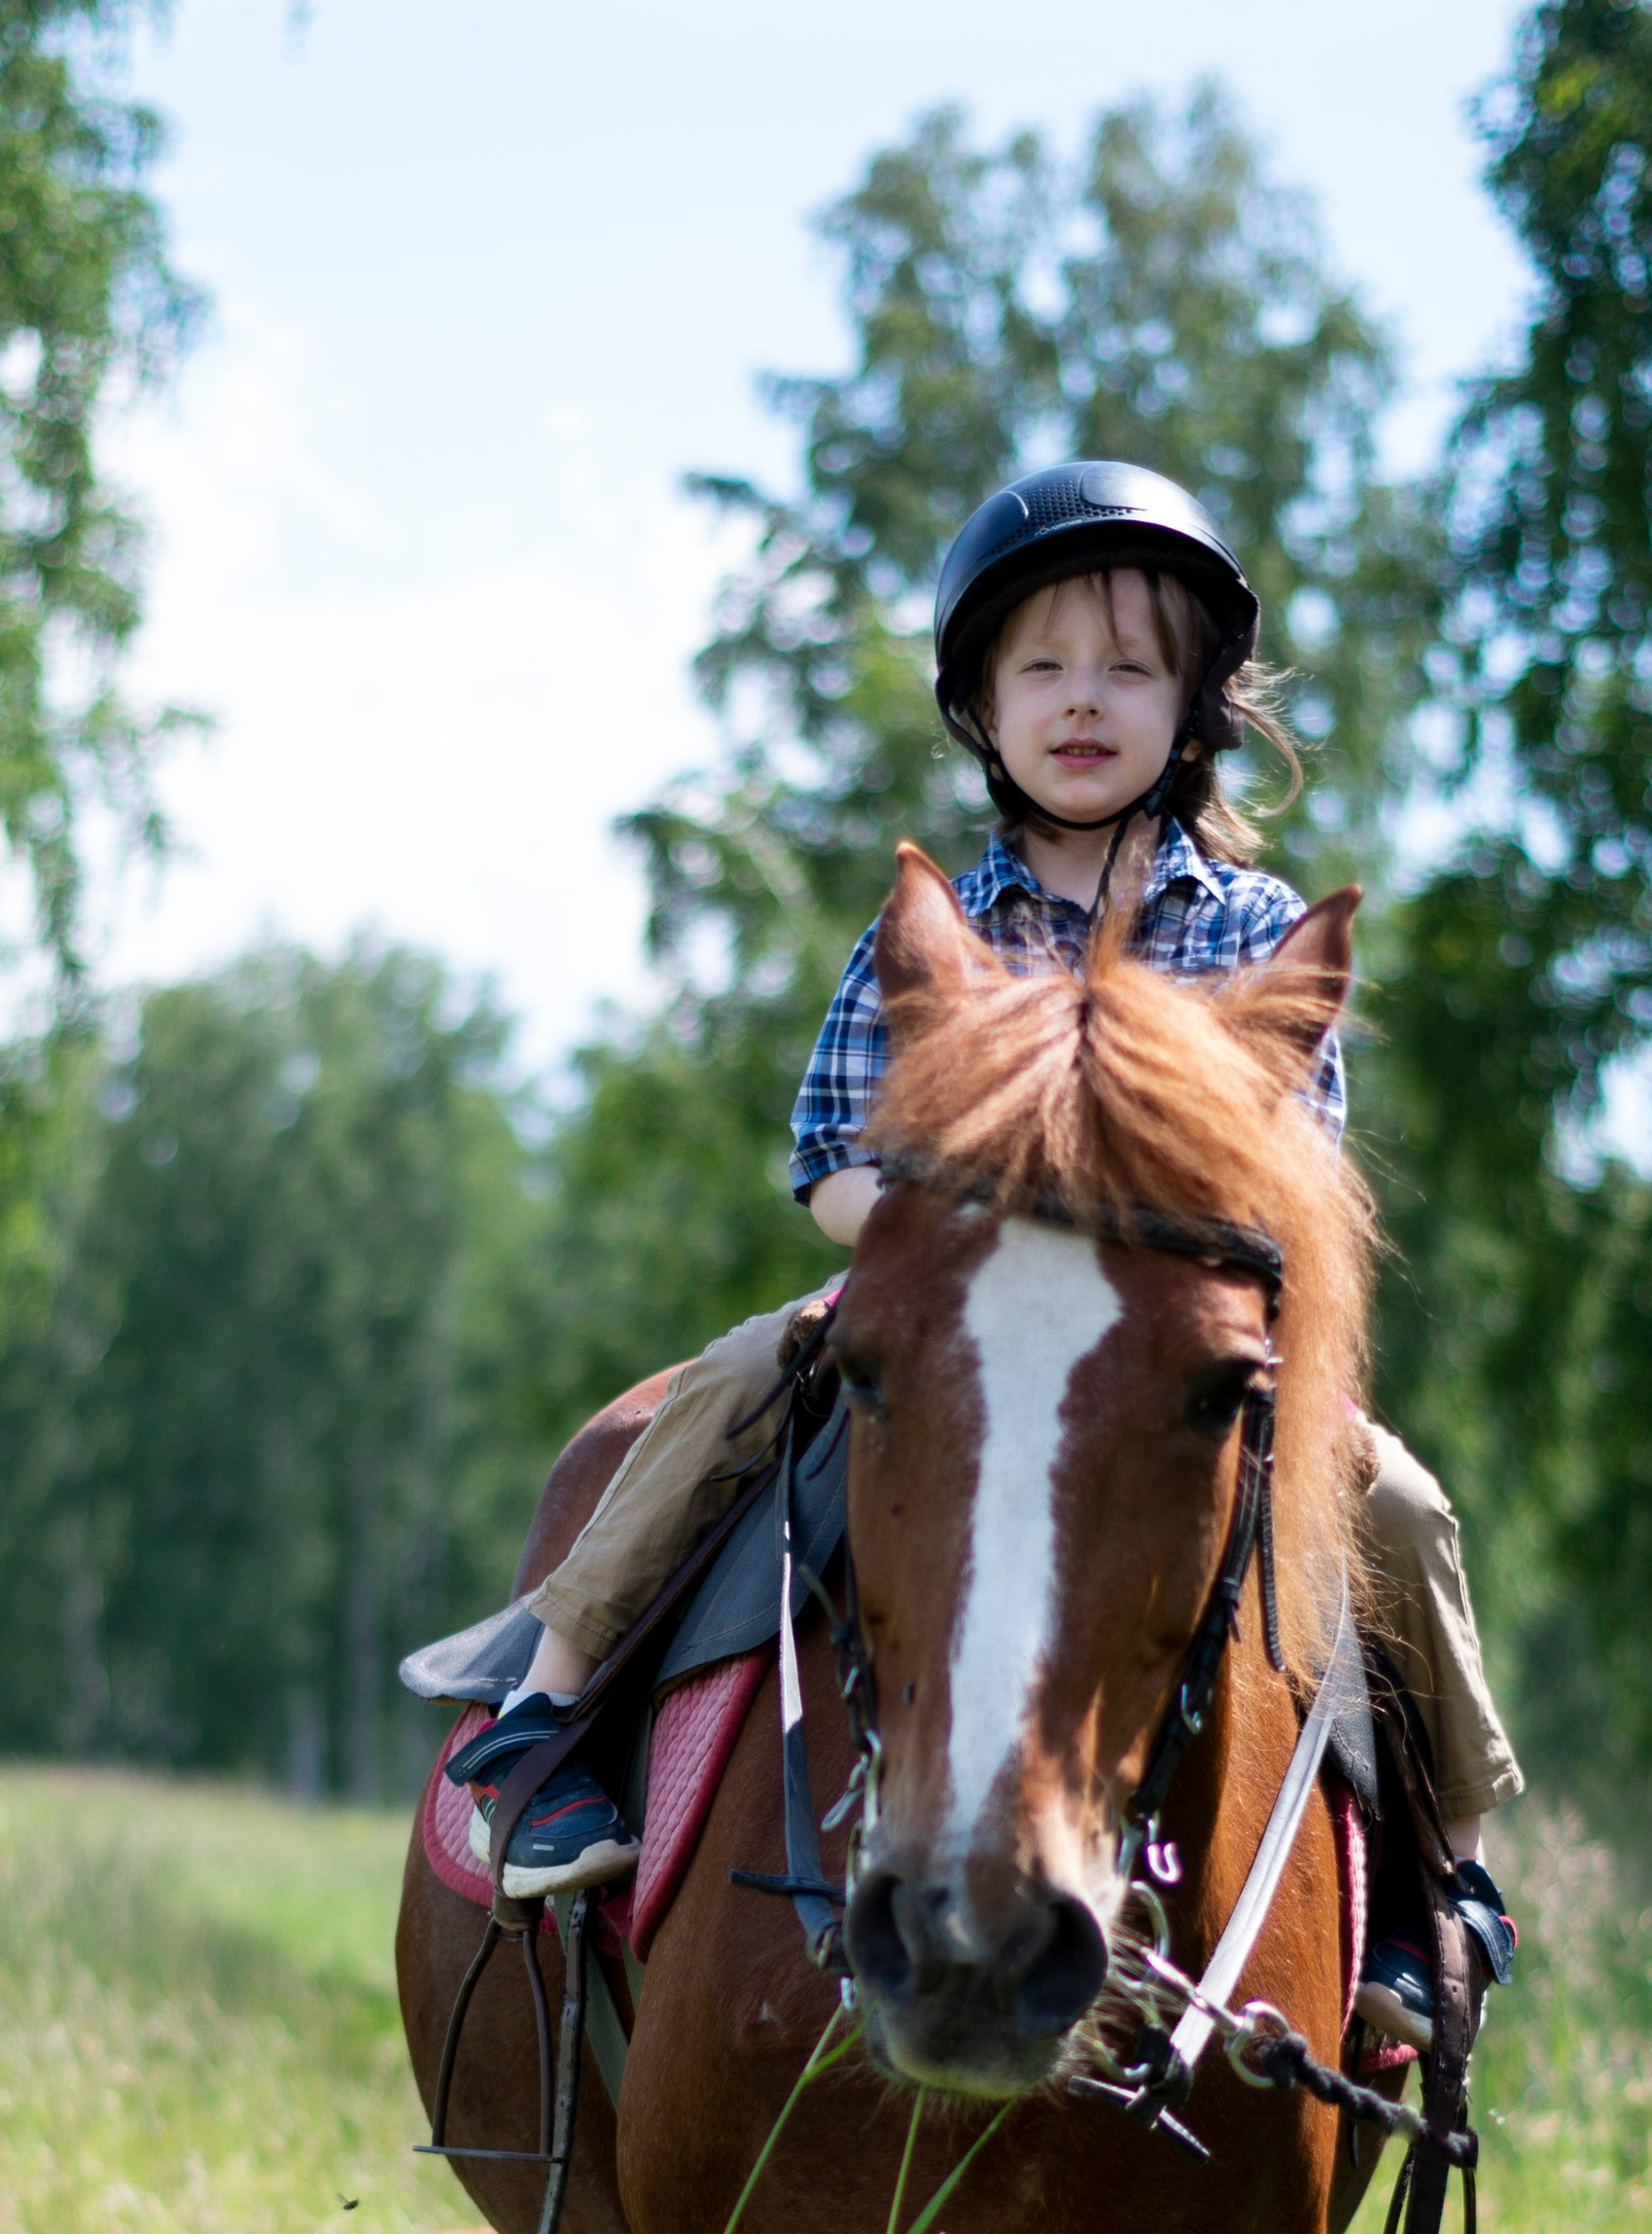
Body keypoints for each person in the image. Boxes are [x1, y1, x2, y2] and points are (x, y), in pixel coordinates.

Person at [450, 462, 1517, 2051]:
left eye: (1130, 669)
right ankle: (552, 1713)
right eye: (1043, 668)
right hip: (944, 1297)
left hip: (1162, 1327)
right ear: (982, 703)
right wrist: (946, 1253)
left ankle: (1448, 1872)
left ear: (1194, 707)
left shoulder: (1249, 932)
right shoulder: (944, 921)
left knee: (1396, 1499)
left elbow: (1292, 1191)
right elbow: (831, 1155)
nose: (1083, 703)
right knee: (730, 1382)